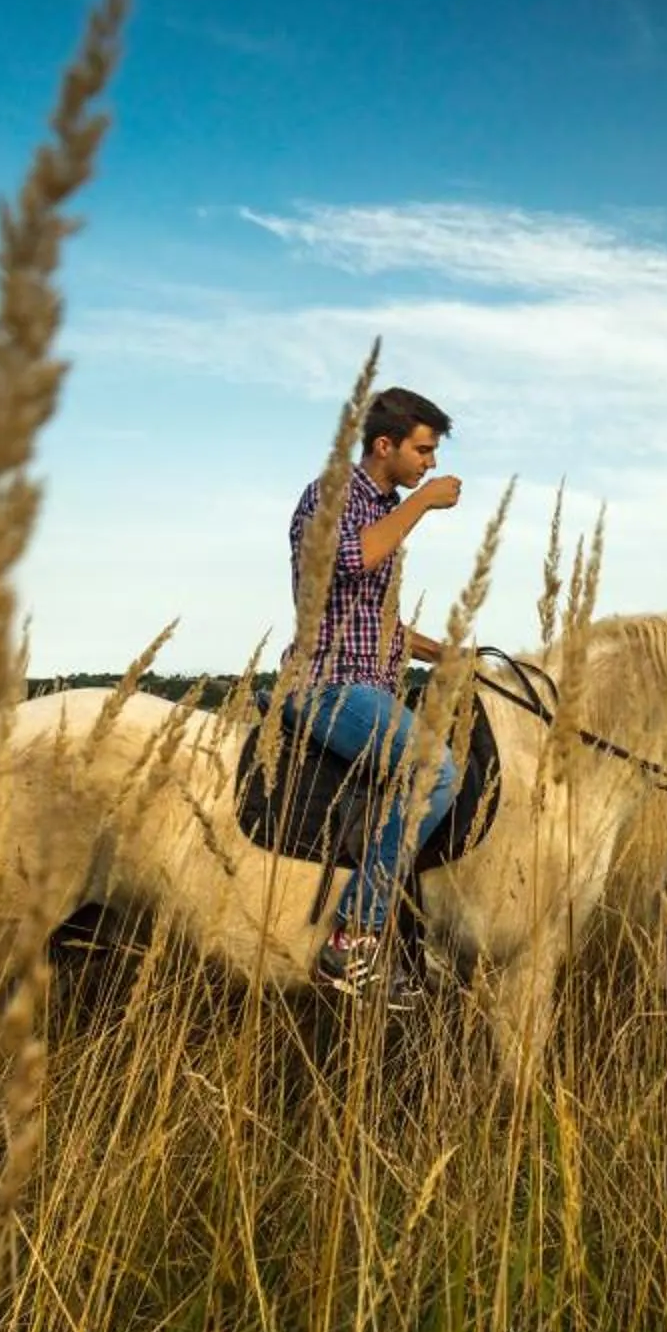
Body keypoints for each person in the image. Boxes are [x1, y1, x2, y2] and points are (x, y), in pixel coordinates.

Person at [282, 386, 464, 998]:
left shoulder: (380, 503)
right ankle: (352, 940)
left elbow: (371, 614)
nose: (430, 464)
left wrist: (444, 653)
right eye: (423, 450)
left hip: (368, 682)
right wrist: (424, 506)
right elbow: (350, 561)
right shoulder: (334, 494)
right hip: (327, 685)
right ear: (385, 446)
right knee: (436, 773)